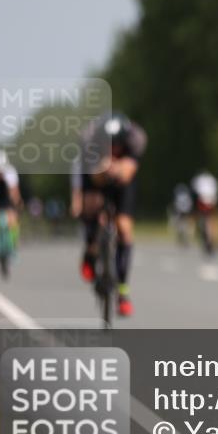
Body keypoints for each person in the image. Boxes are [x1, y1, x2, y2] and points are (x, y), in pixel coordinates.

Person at [70, 112, 147, 317]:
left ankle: (122, 291)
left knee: (124, 228)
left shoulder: (136, 139)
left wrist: (118, 168)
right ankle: (91, 249)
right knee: (92, 206)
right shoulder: (89, 140)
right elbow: (91, 177)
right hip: (94, 173)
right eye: (109, 145)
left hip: (122, 180)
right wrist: (103, 170)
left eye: (117, 145)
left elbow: (128, 172)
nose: (113, 149)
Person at [191, 170, 218, 254]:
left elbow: (195, 190)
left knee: (206, 218)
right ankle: (215, 238)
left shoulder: (199, 179)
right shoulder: (212, 179)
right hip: (211, 201)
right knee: (212, 219)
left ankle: (212, 238)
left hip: (204, 201)